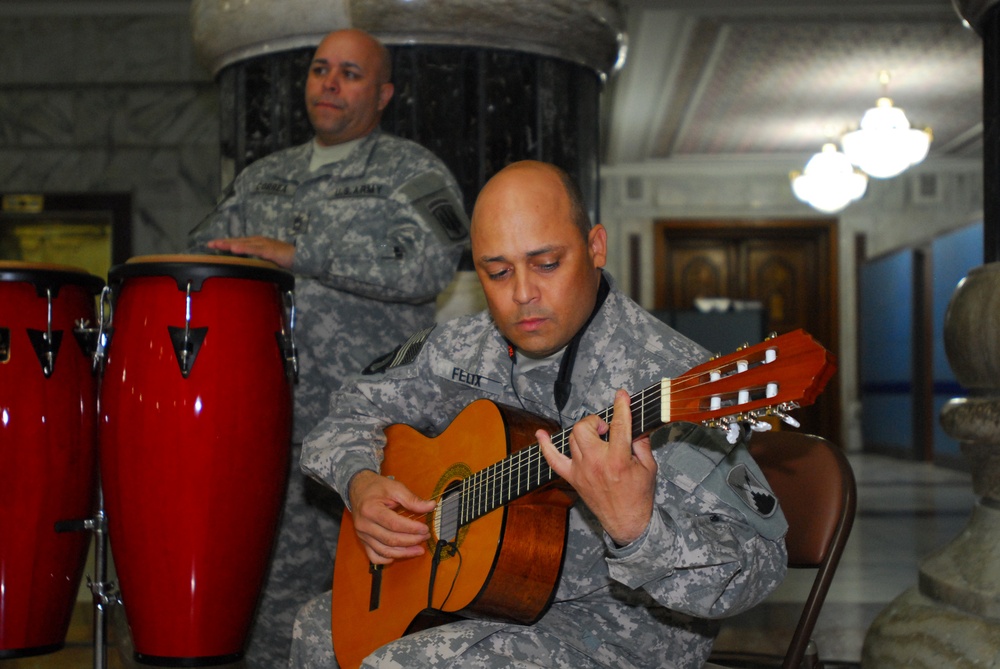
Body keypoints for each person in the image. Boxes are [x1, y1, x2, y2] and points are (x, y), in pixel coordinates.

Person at [291, 160, 788, 668]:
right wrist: (360, 482)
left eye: (546, 263)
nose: (522, 293)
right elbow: (350, 407)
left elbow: (760, 563)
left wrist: (639, 529)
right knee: (318, 632)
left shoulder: (670, 380)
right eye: (498, 271)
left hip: (621, 632)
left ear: (596, 247)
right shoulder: (462, 347)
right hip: (485, 598)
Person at [187, 28, 469, 668]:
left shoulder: (410, 172)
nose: (330, 84)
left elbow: (431, 262)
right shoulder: (264, 179)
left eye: (350, 73)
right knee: (264, 606)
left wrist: (299, 256)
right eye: (320, 70)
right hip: (262, 433)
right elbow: (195, 263)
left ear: (384, 93)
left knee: (376, 612)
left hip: (372, 441)